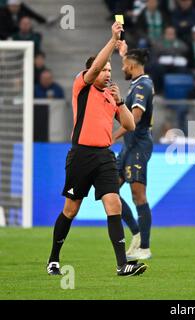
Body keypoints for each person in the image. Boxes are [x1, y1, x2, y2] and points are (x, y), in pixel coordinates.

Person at [46, 22, 147, 277]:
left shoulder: (109, 95)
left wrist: (120, 101)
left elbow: (130, 124)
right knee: (71, 209)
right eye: (104, 69)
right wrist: (113, 41)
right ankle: (54, 259)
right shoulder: (83, 86)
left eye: (111, 70)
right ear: (92, 70)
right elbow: (95, 68)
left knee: (113, 205)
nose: (108, 73)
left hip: (104, 156)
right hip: (80, 155)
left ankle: (122, 264)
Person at [112, 40, 155, 260]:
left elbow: (136, 118)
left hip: (138, 143)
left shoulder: (143, 86)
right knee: (110, 190)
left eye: (124, 64)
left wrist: (112, 136)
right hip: (128, 144)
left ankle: (144, 247)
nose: (122, 68)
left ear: (132, 65)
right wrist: (123, 51)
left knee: (138, 194)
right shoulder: (137, 81)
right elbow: (128, 60)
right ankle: (137, 233)